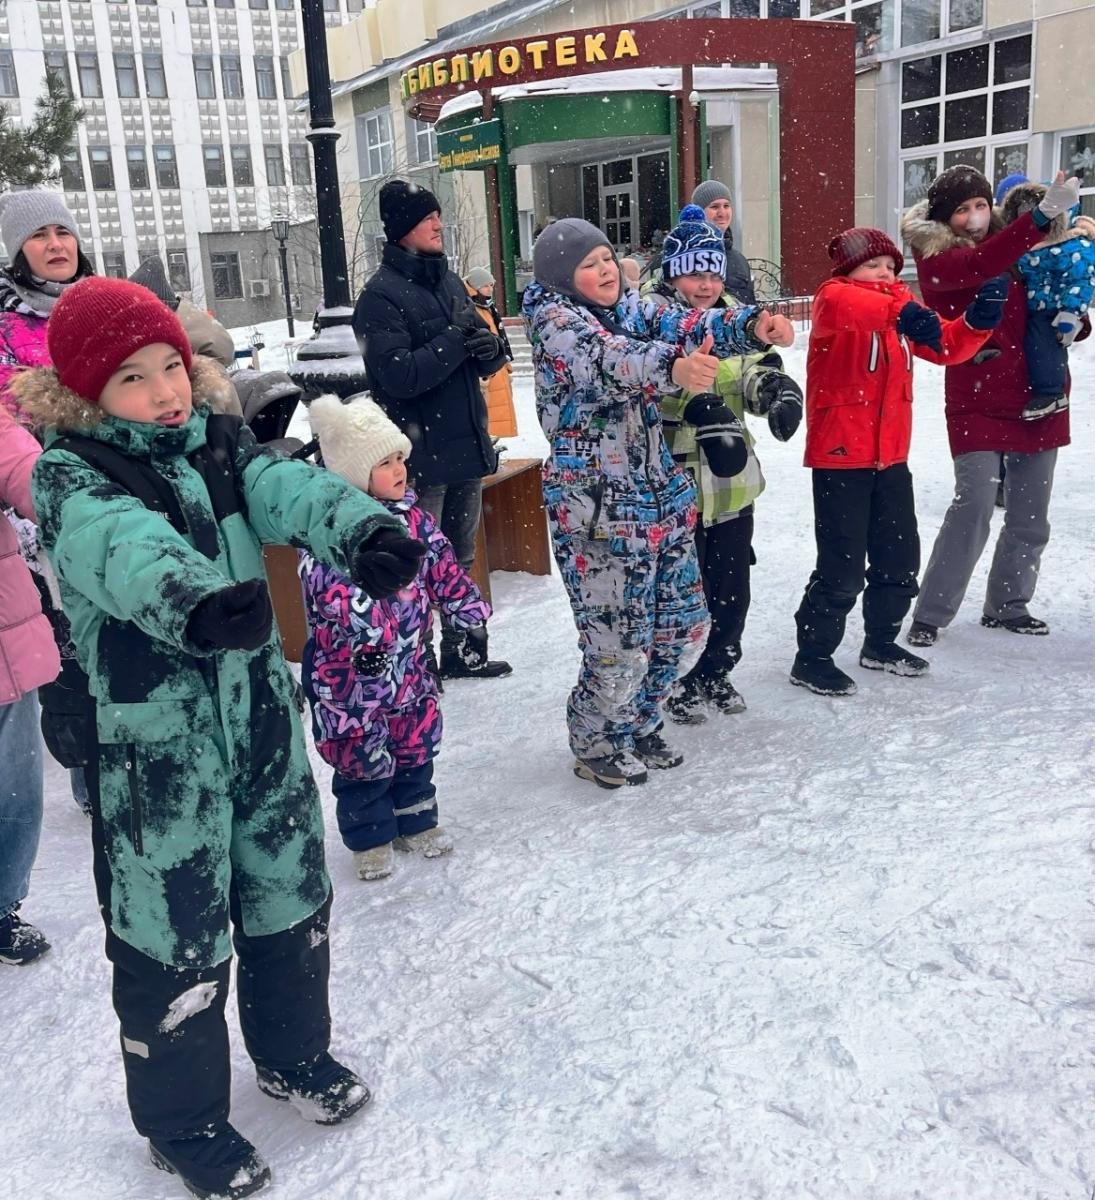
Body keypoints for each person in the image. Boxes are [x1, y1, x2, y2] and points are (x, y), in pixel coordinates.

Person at [17, 277, 427, 1199]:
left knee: (288, 896)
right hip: (158, 753)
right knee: (174, 935)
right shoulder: (71, 473)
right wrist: (196, 599)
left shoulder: (217, 439)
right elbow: (118, 545)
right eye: (132, 378)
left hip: (259, 723)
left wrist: (358, 527)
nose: (165, 392)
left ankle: (292, 1053)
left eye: (170, 367)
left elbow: (283, 485)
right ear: (87, 393)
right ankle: (182, 1122)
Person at [523, 217, 794, 787]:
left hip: (658, 496)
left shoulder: (629, 308)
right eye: (589, 265)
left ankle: (640, 721)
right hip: (598, 507)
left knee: (684, 628)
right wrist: (672, 367)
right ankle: (598, 741)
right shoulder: (556, 324)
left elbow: (686, 321)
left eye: (607, 258)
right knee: (618, 645)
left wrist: (753, 325)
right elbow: (608, 360)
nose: (605, 271)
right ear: (562, 277)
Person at [789, 228, 1007, 697]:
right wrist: (903, 311)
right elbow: (852, 305)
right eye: (872, 266)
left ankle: (881, 643)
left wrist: (977, 321)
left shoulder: (900, 310)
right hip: (840, 459)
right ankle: (813, 657)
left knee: (899, 558)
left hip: (891, 459)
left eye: (890, 267)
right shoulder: (834, 299)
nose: (884, 274)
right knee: (842, 568)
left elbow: (947, 345)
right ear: (849, 270)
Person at [300, 393, 491, 881]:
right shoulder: (330, 530)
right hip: (350, 675)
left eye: (400, 458)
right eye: (384, 463)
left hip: (409, 665)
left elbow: (443, 569)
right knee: (360, 754)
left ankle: (416, 820)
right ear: (353, 473)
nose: (399, 470)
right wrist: (366, 635)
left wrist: (468, 612)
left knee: (414, 743)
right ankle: (370, 837)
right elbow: (330, 590)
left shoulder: (415, 521)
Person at [900, 166, 1093, 646]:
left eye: (981, 206)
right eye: (962, 210)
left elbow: (1048, 298)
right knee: (974, 506)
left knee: (1031, 515)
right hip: (977, 397)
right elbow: (980, 264)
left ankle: (1009, 604)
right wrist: (1040, 219)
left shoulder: (1021, 246)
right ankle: (931, 613)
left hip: (1039, 392)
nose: (974, 217)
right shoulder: (937, 256)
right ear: (944, 218)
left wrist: (1074, 319)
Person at [646, 206, 803, 719]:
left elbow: (750, 368)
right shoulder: (653, 320)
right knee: (681, 592)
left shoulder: (736, 316)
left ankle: (716, 669)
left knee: (732, 587)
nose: (706, 284)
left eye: (713, 273)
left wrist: (775, 389)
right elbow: (647, 386)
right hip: (675, 484)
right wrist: (692, 406)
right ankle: (675, 679)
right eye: (694, 273)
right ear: (672, 275)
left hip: (731, 483)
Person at [354, 180, 512, 680]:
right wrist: (455, 340)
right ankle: (415, 663)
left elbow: (477, 350)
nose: (438, 224)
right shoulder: (379, 297)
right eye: (427, 218)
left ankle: (461, 653)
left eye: (438, 216)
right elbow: (399, 376)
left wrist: (490, 351)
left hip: (466, 445)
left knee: (459, 558)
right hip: (419, 459)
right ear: (403, 228)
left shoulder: (450, 282)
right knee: (415, 567)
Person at [0, 191, 96, 813]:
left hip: (118, 488)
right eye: (40, 235)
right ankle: (90, 770)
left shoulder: (104, 305)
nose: (56, 244)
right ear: (18, 250)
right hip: (37, 503)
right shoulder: (4, 326)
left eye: (63, 230)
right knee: (69, 646)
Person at [0, 404, 60, 964]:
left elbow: (22, 467)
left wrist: (65, 495)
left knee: (14, 786)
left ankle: (1, 906)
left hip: (5, 644)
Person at [997, 179, 1095, 420]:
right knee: (1035, 342)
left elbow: (1081, 279)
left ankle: (1051, 392)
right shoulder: (1022, 248)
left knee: (1043, 343)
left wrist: (1071, 312)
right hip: (1031, 309)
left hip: (1052, 310)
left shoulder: (1070, 246)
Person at [463, 265, 517, 439]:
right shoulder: (470, 306)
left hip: (496, 364)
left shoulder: (487, 306)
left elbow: (498, 334)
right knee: (488, 416)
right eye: (486, 285)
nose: (490, 289)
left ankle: (493, 443)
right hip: (486, 369)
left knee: (496, 413)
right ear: (476, 286)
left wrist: (505, 362)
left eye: (491, 285)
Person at [691, 179, 758, 305]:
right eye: (714, 207)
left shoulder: (739, 260)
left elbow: (750, 305)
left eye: (726, 206)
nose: (722, 213)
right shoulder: (682, 256)